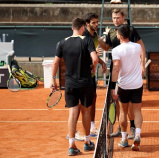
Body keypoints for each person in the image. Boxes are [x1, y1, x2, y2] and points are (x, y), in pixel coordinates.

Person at [51, 18, 99, 156]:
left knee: (72, 113)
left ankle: (71, 146)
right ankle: (87, 142)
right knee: (86, 111)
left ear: (72, 28)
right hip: (86, 83)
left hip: (70, 84)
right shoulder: (87, 40)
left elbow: (55, 63)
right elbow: (95, 59)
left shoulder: (62, 42)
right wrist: (93, 69)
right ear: (83, 28)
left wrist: (53, 80)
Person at [98, 8, 146, 139]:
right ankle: (121, 129)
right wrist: (97, 38)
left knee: (129, 105)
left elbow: (142, 47)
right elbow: (107, 47)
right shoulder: (111, 33)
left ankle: (131, 128)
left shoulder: (130, 30)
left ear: (123, 18)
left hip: (126, 75)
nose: (116, 20)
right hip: (117, 74)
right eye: (113, 18)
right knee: (119, 105)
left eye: (118, 17)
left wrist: (142, 65)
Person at [111, 24, 144, 151]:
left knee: (123, 112)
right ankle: (137, 135)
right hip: (137, 84)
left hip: (123, 85)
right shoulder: (137, 47)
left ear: (119, 36)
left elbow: (116, 68)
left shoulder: (116, 50)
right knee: (137, 111)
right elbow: (140, 59)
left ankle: (124, 139)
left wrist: (113, 87)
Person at [83, 12, 107, 137]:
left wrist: (102, 62)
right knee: (83, 103)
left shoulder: (95, 35)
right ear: (87, 24)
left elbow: (101, 50)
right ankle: (77, 131)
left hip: (91, 74)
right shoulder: (84, 36)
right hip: (84, 74)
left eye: (97, 22)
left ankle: (92, 126)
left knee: (93, 98)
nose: (97, 24)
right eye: (94, 23)